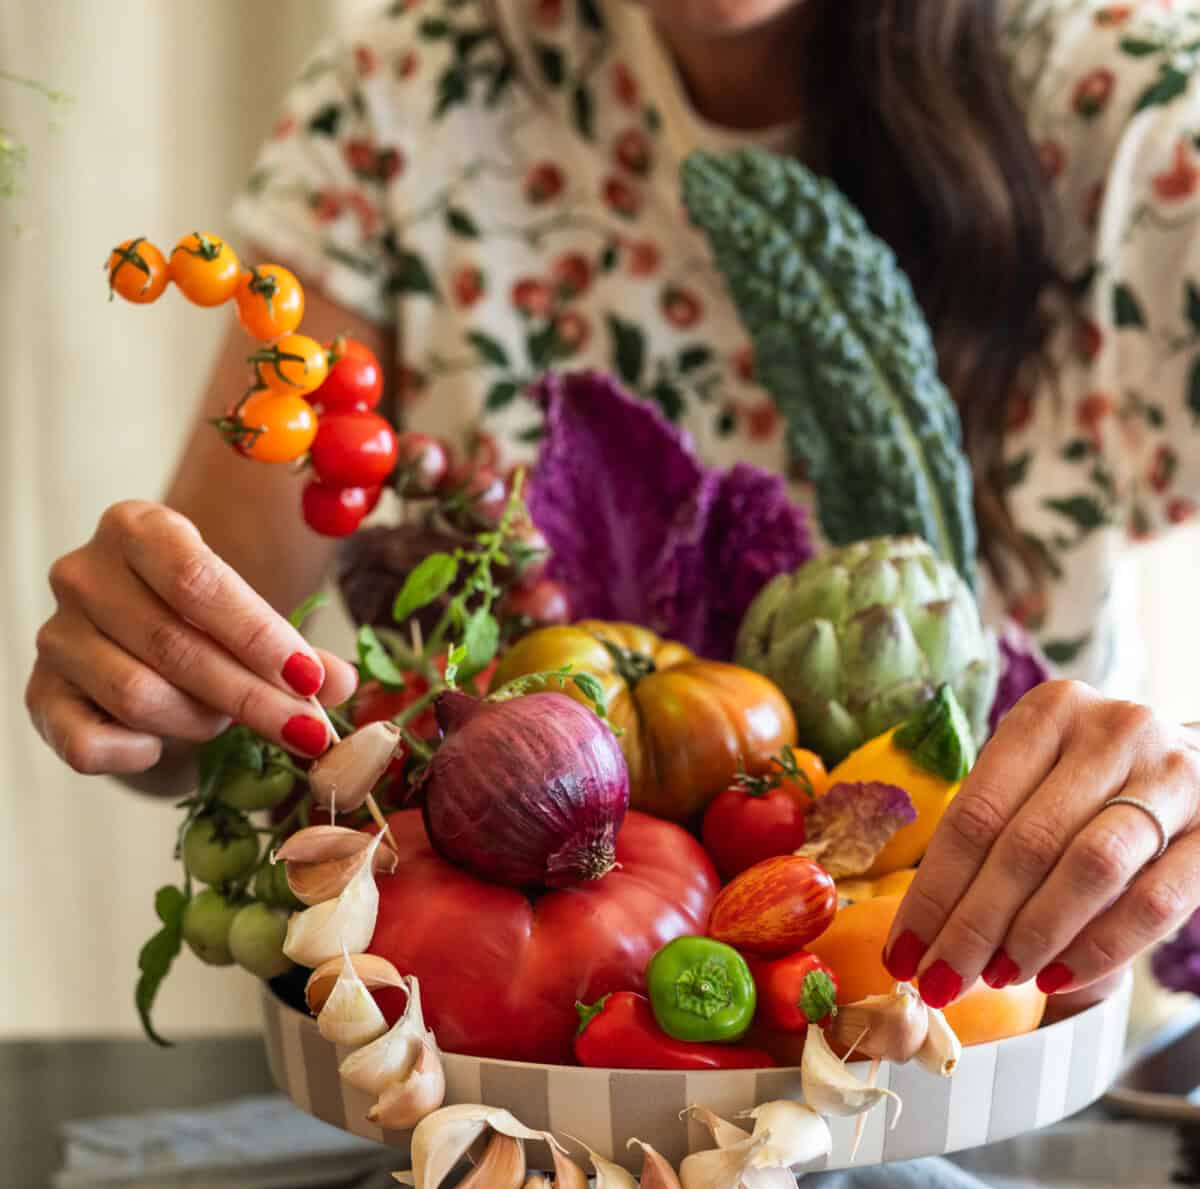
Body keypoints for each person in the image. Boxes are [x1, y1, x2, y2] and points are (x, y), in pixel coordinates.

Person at [24, 0, 1200, 1010]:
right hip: (506, 1088)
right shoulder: (414, 98)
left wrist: (1176, 779)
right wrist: (141, 668)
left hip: (988, 1072)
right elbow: (211, 704)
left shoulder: (1138, 114)